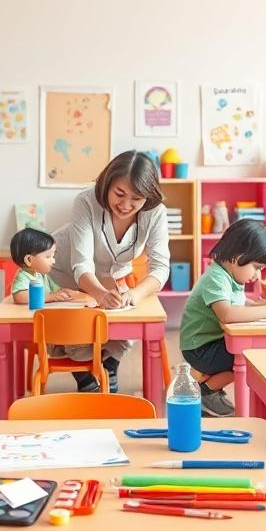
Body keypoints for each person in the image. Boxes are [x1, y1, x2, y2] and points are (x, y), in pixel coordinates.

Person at [49, 150, 170, 393]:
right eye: (120, 194)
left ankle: (108, 368)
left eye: (136, 198)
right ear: (107, 185)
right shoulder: (86, 201)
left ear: (148, 195)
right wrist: (99, 294)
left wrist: (134, 294)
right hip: (63, 267)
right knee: (76, 330)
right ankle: (86, 380)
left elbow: (160, 266)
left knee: (126, 324)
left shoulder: (155, 213)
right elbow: (81, 264)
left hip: (109, 276)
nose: (126, 205)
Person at [180, 219, 266, 417]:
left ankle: (210, 389)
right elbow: (228, 313)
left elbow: (240, 304)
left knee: (254, 354)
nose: (258, 276)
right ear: (237, 257)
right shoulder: (216, 277)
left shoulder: (230, 274)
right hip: (199, 348)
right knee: (251, 358)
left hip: (212, 342)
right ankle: (207, 392)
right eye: (257, 267)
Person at [9, 227, 80, 304]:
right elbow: (20, 297)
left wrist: (63, 291)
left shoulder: (42, 276)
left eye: (53, 256)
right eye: (48, 256)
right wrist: (50, 297)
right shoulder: (23, 277)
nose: (53, 261)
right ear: (29, 260)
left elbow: (55, 291)